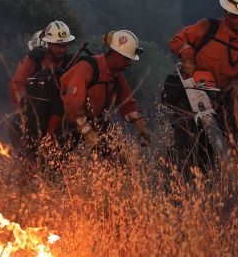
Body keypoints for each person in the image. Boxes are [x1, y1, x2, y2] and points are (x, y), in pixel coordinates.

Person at [164, 0, 238, 168]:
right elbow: (176, 41)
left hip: (220, 107)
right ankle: (171, 182)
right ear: (225, 10)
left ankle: (208, 190)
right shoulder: (206, 28)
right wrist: (188, 55)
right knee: (184, 148)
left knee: (214, 157)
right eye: (234, 15)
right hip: (190, 99)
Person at [57, 30, 149, 152]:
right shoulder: (86, 68)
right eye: (126, 58)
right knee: (57, 161)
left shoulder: (117, 77)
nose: (129, 63)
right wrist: (87, 132)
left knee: (118, 154)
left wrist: (139, 122)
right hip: (68, 122)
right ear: (115, 53)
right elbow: (72, 107)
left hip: (94, 120)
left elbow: (127, 104)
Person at [9, 20, 78, 156]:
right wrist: (24, 109)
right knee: (27, 156)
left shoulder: (72, 63)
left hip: (58, 120)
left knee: (56, 161)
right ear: (49, 44)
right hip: (33, 117)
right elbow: (16, 84)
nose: (62, 49)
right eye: (58, 46)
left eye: (65, 45)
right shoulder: (35, 60)